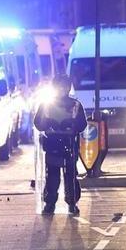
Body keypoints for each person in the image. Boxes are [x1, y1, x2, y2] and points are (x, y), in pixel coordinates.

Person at [33, 74, 86, 215]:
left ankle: (72, 202)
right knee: (52, 177)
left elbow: (82, 124)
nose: (62, 89)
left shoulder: (75, 105)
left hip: (69, 144)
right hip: (53, 144)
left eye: (65, 86)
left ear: (68, 88)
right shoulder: (47, 104)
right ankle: (50, 204)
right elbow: (38, 122)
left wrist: (72, 124)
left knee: (71, 176)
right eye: (59, 86)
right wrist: (48, 123)